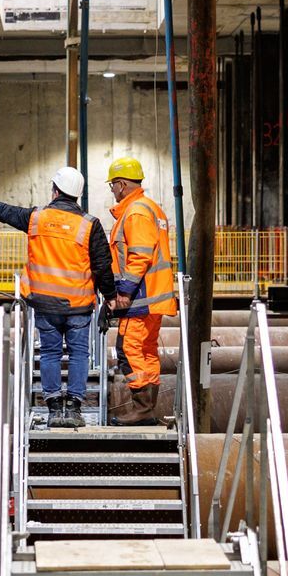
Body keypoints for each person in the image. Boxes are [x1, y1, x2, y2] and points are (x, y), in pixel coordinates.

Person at [0, 166, 113, 427]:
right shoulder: (90, 225)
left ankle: (54, 409)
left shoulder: (36, 218)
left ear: (55, 191)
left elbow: (8, 212)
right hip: (79, 306)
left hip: (44, 304)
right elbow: (102, 265)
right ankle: (75, 409)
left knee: (50, 353)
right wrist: (110, 297)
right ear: (77, 195)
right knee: (80, 354)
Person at [104, 155, 177, 424]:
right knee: (147, 351)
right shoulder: (151, 209)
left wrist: (122, 292)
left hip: (140, 296)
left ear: (122, 184)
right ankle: (146, 409)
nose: (112, 190)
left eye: (112, 185)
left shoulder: (135, 212)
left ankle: (142, 408)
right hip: (153, 296)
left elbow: (140, 256)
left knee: (128, 349)